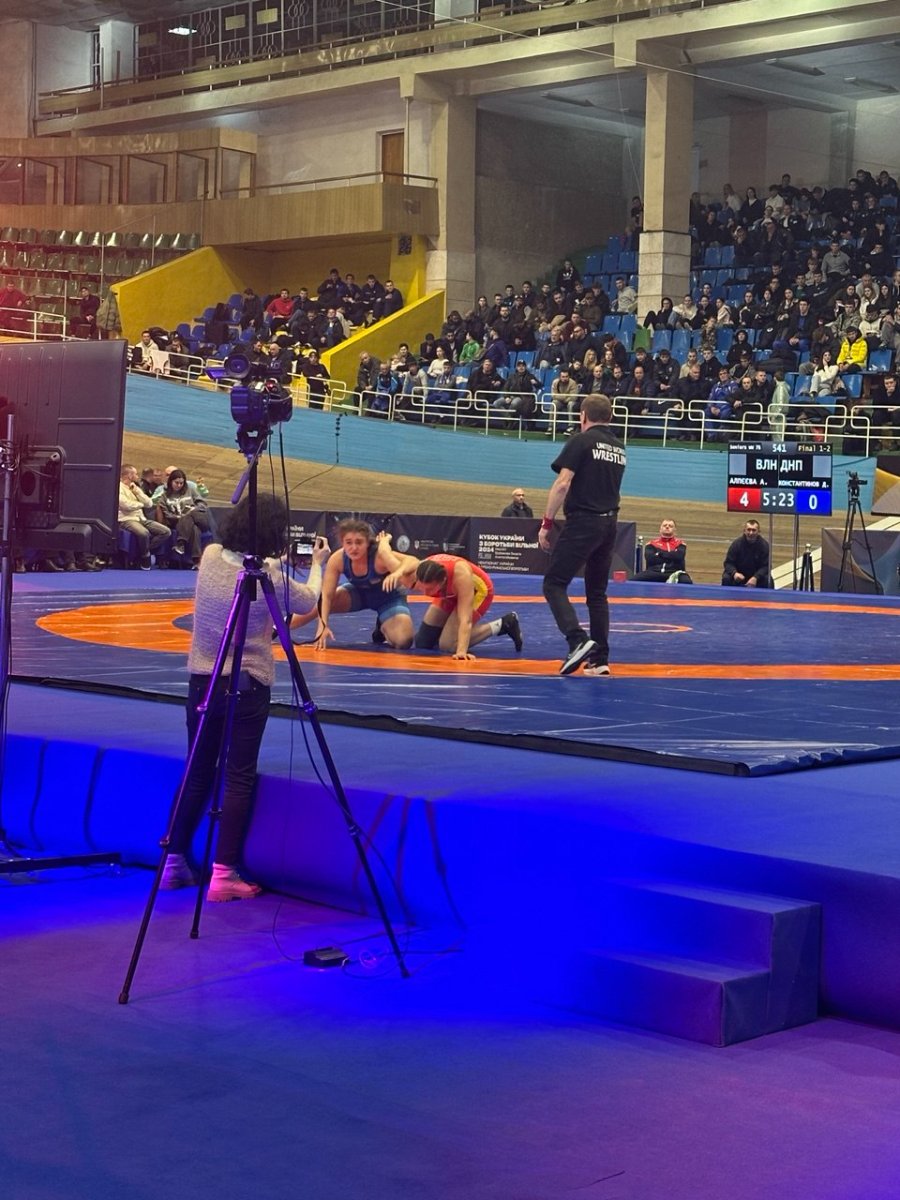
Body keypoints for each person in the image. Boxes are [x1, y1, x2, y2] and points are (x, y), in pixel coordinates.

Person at [160, 495, 328, 900]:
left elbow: (242, 565)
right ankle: (224, 872)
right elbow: (308, 599)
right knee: (238, 774)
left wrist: (275, 563)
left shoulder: (210, 557)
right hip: (247, 683)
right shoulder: (270, 577)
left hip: (203, 680)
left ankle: (172, 861)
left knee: (197, 769)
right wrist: (318, 564)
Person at [538, 395, 626, 677]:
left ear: (583, 415)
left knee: (554, 584)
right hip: (609, 524)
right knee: (597, 593)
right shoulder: (619, 447)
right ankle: (600, 660)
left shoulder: (581, 441)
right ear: (610, 417)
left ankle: (576, 640)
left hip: (584, 522)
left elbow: (563, 484)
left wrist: (546, 522)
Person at [291, 520, 416, 649]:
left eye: (359, 542)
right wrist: (322, 627)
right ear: (342, 543)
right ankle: (280, 627)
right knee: (317, 603)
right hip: (358, 594)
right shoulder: (338, 559)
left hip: (388, 598)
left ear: (367, 543)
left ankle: (382, 627)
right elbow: (326, 596)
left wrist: (398, 571)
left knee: (403, 641)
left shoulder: (379, 555)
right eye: (349, 542)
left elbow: (413, 561)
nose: (354, 548)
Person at [398, 555, 522, 660]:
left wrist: (461, 651)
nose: (426, 593)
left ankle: (505, 623)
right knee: (423, 642)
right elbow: (398, 556)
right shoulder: (421, 568)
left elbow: (465, 620)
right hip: (449, 593)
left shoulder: (461, 576)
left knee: (448, 645)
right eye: (422, 587)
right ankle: (447, 633)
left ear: (442, 581)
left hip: (477, 591)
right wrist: (386, 545)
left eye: (430, 589)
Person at [152, 468, 210, 566]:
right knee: (194, 528)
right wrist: (179, 517)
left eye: (181, 483)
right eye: (176, 483)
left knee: (190, 516)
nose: (179, 485)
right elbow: (167, 514)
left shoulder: (190, 490)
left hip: (198, 519)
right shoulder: (164, 496)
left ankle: (181, 543)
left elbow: (202, 504)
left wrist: (194, 509)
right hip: (178, 522)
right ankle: (196, 560)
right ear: (171, 482)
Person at [118, 464, 171, 570]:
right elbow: (126, 505)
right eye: (135, 474)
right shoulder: (118, 487)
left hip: (141, 518)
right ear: (129, 475)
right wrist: (140, 504)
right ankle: (145, 556)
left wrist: (138, 493)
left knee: (166, 532)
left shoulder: (135, 487)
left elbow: (149, 503)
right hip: (126, 519)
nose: (138, 476)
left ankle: (144, 551)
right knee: (144, 533)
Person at [634, 519, 692, 583]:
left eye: (670, 526)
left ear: (674, 530)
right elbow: (651, 560)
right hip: (654, 572)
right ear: (660, 529)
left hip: (675, 573)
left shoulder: (681, 544)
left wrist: (660, 554)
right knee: (632, 581)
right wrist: (671, 555)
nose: (667, 527)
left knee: (687, 582)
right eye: (664, 525)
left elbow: (679, 557)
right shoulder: (651, 544)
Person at [722, 520, 771, 588]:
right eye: (749, 530)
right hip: (739, 576)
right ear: (744, 531)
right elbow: (728, 563)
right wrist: (734, 573)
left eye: (754, 530)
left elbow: (766, 566)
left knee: (768, 580)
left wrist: (755, 577)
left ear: (758, 532)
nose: (751, 533)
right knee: (726, 578)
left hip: (756, 577)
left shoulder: (764, 546)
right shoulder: (736, 544)